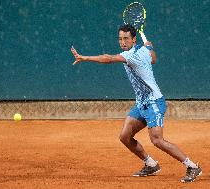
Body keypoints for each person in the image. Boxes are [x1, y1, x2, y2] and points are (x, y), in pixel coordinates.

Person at [71, 24, 202, 183]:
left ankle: (192, 166)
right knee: (125, 136)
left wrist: (85, 58)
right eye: (120, 39)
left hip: (154, 102)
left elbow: (109, 58)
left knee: (157, 140)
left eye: (126, 38)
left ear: (134, 39)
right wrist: (150, 46)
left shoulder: (132, 56)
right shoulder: (143, 49)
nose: (122, 42)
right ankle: (151, 164)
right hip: (141, 103)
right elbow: (153, 59)